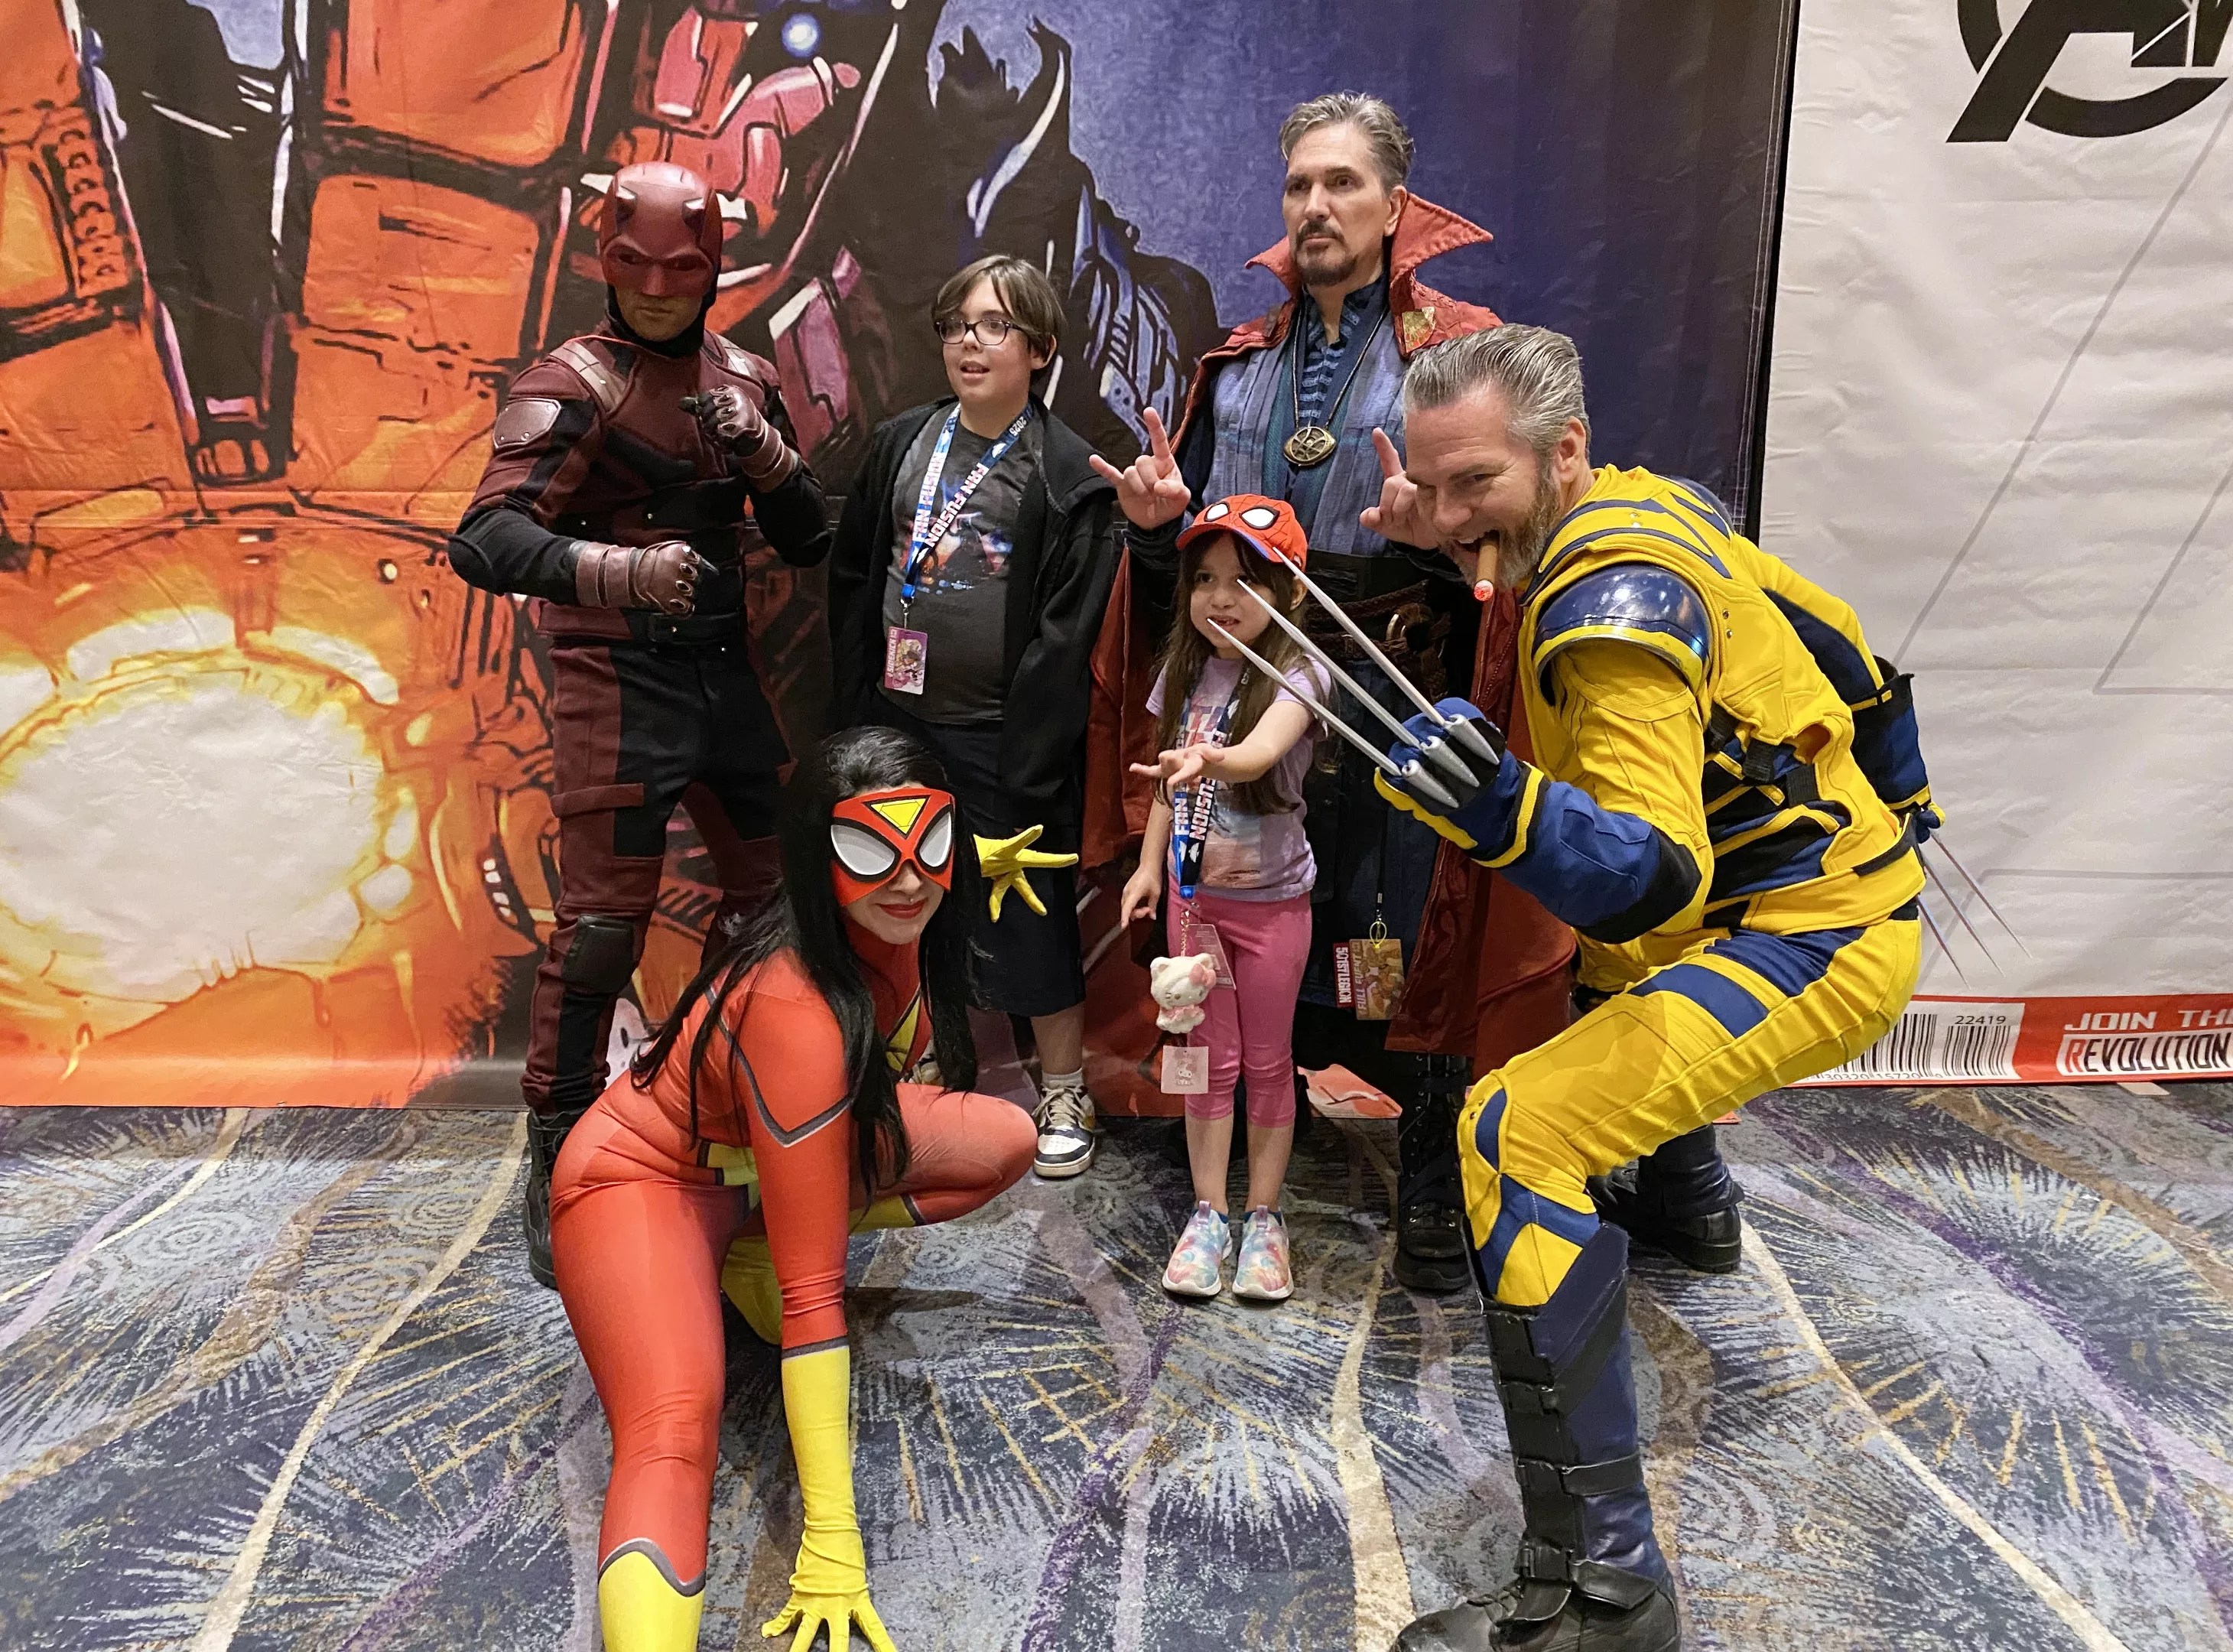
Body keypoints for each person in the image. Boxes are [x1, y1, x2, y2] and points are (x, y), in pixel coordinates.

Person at [1367, 326, 1936, 1652]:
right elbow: (1844, 643)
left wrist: (1500, 811)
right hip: (1816, 892)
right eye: (1430, 488)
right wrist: (1906, 803)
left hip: (1806, 936)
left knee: (1514, 1133)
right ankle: (1690, 1199)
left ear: (1562, 451)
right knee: (1613, 988)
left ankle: (1605, 1589)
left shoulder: (1605, 611)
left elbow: (1648, 878)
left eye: (1474, 485)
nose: (1446, 518)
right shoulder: (1655, 506)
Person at [1087, 93, 1575, 1295]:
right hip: (1248, 676)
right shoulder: (1238, 365)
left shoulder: (1456, 356)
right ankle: (1263, 1140)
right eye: (1300, 183)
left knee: (1397, 917)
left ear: (1397, 206)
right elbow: (1197, 559)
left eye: (1343, 183)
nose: (1316, 205)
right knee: (1239, 901)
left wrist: (1438, 539)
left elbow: (1519, 535)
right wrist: (1152, 531)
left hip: (1400, 682)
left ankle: (1427, 1156)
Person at [550, 726, 1038, 1652]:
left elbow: (906, 864)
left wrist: (973, 856)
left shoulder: (902, 907)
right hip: (642, 1181)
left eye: (931, 839)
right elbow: (815, 1301)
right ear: (819, 859)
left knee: (1006, 1140)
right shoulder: (794, 1009)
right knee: (670, 1432)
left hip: (764, 1158)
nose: (908, 879)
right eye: (868, 850)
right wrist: (832, 1545)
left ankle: (744, 1252)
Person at [447, 161, 834, 1287]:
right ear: (607, 263)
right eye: (639, 270)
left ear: (711, 267)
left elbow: (810, 537)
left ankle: (708, 1095)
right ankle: (560, 1145)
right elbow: (485, 537)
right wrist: (620, 570)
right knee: (601, 930)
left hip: (724, 674)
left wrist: (766, 454)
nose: (660, 292)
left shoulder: (744, 376)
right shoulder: (574, 380)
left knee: (772, 911)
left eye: (680, 271)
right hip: (616, 683)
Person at [828, 255, 1120, 1179]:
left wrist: (1031, 758)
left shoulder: (1069, 475)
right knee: (896, 903)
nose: (969, 342)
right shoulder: (902, 443)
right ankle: (915, 1080)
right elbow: (853, 576)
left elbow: (1067, 640)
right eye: (956, 324)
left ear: (1040, 349)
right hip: (897, 730)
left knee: (1027, 914)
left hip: (1006, 742)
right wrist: (857, 718)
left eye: (995, 326)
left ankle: (1063, 1088)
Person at [1118, 497, 1328, 1302]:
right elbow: (1169, 784)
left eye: (1245, 581)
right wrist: (1148, 867)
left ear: (1289, 592)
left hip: (1274, 908)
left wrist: (1210, 758)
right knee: (1203, 1062)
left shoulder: (1300, 673)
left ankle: (1264, 1218)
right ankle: (1207, 1213)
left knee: (1269, 1062)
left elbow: (1257, 754)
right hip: (1193, 907)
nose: (1220, 598)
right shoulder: (1182, 671)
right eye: (1205, 579)